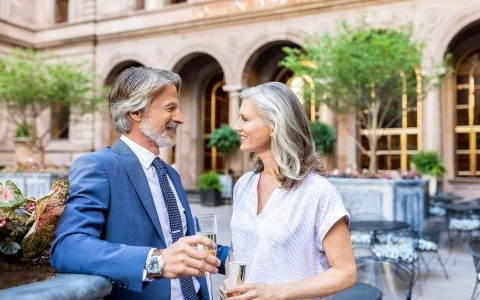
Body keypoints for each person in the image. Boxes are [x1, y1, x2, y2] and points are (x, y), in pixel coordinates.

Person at [51, 67, 229, 300]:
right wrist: (156, 262)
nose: (180, 118)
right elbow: (67, 248)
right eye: (170, 108)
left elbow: (184, 245)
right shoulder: (99, 166)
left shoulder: (170, 175)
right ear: (136, 111)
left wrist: (235, 257)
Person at [223, 82, 356, 299]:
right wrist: (231, 282)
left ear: (274, 124)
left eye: (245, 119)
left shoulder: (318, 192)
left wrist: (276, 292)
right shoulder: (243, 185)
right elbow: (240, 250)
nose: (237, 126)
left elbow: (346, 273)